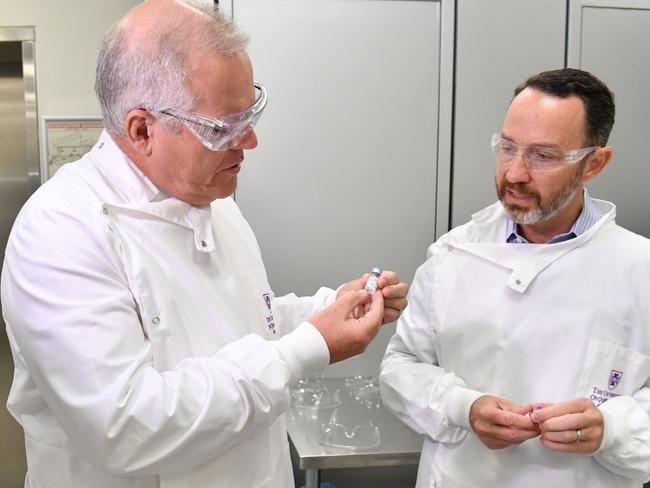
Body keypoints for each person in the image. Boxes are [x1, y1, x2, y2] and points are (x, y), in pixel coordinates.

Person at [0, 1, 409, 487]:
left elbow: (229, 321)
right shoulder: (61, 230)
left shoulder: (213, 201)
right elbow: (124, 426)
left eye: (249, 111)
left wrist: (323, 311)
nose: (250, 140)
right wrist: (310, 347)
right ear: (141, 129)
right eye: (222, 127)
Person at [380, 68, 650, 487]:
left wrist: (612, 429)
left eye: (543, 156)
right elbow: (401, 367)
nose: (514, 174)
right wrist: (462, 407)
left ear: (594, 163)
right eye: (507, 148)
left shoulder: (639, 269)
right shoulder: (455, 252)